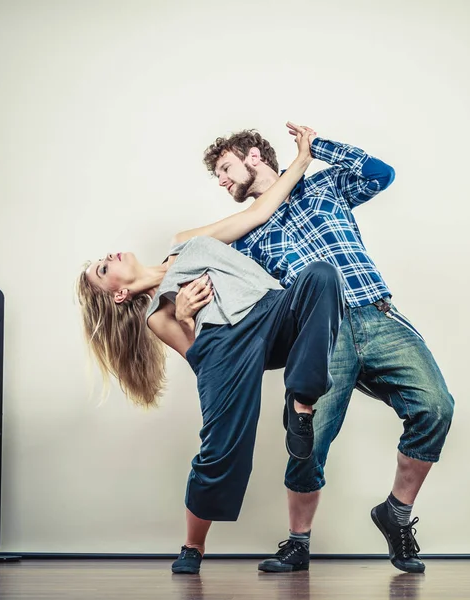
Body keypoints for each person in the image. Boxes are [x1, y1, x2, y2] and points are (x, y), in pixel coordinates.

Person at [75, 127, 346, 575]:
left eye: (104, 257)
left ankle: (301, 402)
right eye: (103, 269)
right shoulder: (156, 317)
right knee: (221, 450)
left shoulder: (185, 240)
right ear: (117, 294)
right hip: (225, 346)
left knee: (321, 275)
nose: (110, 257)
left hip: (270, 308)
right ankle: (192, 547)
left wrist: (300, 160)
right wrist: (182, 315)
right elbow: (202, 359)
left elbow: (257, 213)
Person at [202, 123, 455, 574]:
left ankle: (395, 514)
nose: (222, 182)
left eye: (225, 169)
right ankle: (299, 543)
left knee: (435, 407)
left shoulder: (325, 186)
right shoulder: (246, 234)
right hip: (321, 337)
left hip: (376, 314)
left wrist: (317, 147)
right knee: (308, 443)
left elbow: (381, 174)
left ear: (254, 156)